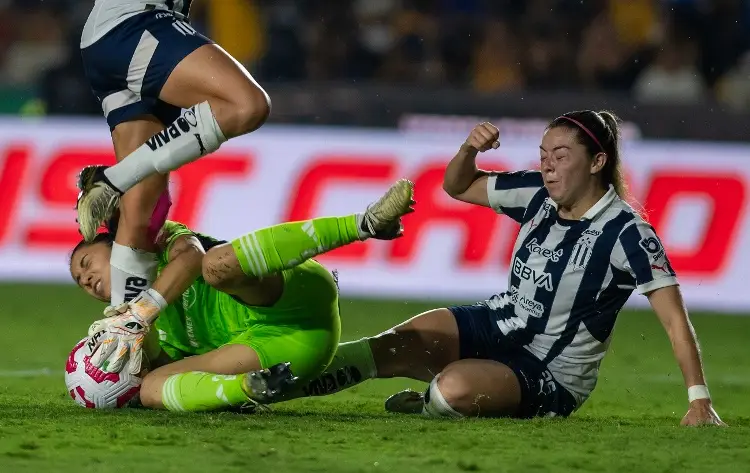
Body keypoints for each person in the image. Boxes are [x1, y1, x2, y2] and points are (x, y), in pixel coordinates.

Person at [278, 113, 725, 426]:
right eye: (544, 152)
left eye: (562, 154)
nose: (547, 164)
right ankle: (269, 388)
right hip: (500, 321)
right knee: (390, 346)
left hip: (551, 371)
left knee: (449, 391)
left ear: (597, 162)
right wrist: (470, 148)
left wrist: (699, 399)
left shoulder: (628, 233)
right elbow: (457, 185)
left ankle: (436, 402)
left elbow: (673, 320)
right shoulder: (536, 192)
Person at [69, 179, 414, 411]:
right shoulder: (137, 332)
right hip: (290, 350)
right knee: (151, 389)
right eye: (80, 282)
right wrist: (126, 377)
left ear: (114, 245)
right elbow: (162, 372)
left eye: (85, 263)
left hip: (288, 297)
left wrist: (142, 313)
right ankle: (247, 391)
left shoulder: (158, 244)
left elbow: (191, 258)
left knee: (216, 265)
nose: (85, 278)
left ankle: (365, 223)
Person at [74, 1, 272, 314]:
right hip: (136, 23)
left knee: (142, 216)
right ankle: (112, 179)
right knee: (246, 105)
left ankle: (126, 339)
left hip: (108, 40)